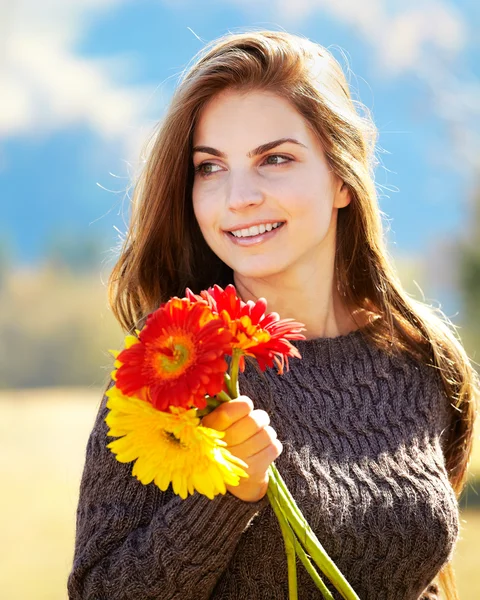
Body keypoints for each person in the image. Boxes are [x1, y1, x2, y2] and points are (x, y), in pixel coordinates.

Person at [67, 29, 478, 600]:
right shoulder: (167, 369)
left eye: (275, 159)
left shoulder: (423, 360)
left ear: (341, 176)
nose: (238, 197)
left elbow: (415, 574)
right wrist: (227, 495)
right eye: (210, 168)